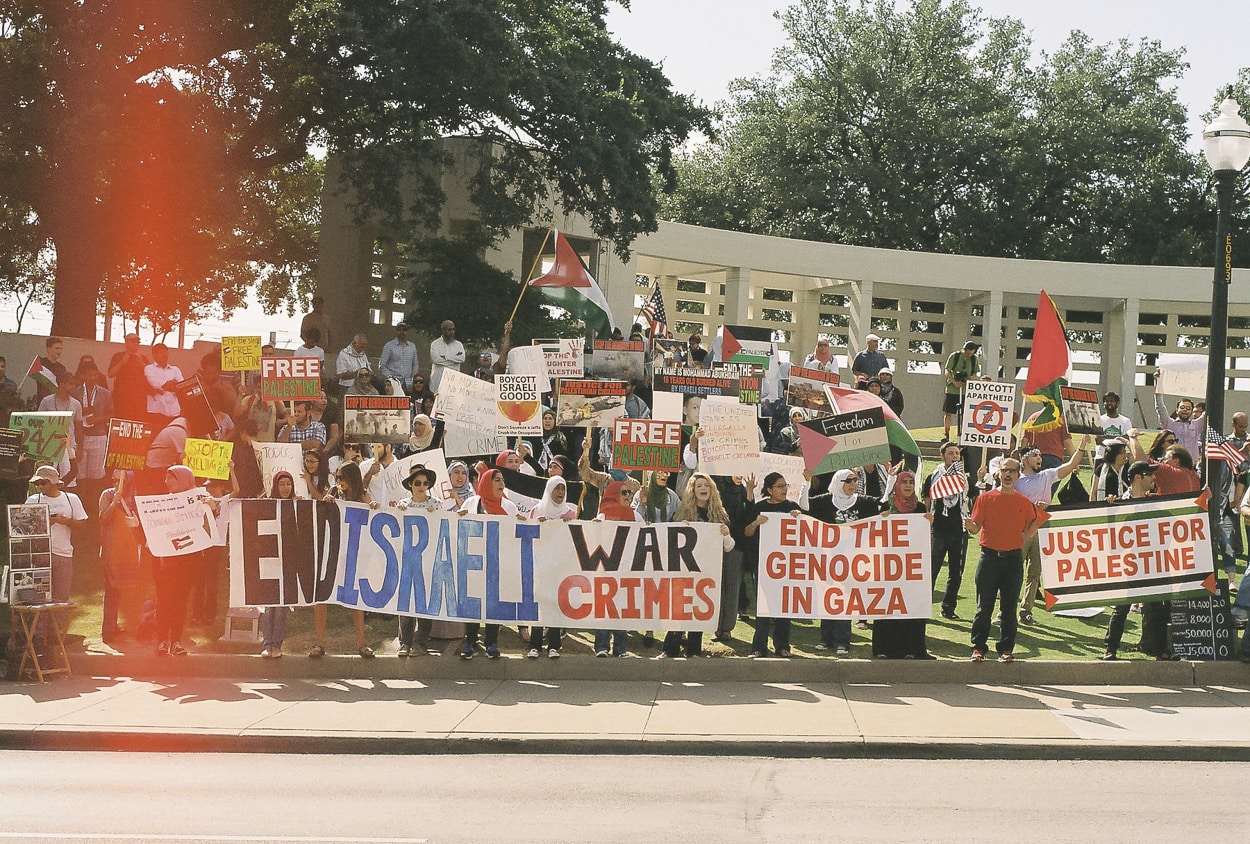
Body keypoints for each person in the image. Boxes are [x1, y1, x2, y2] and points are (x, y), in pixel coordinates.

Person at [963, 457, 1041, 663]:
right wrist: (969, 525)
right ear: (998, 473)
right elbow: (975, 529)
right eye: (1005, 470)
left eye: (1012, 471)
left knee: (1009, 608)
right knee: (984, 607)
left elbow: (1029, 531)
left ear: (1018, 475)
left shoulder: (1024, 502)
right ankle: (978, 648)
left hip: (1013, 561)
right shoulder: (985, 499)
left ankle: (1006, 649)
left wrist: (1040, 517)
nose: (1008, 474)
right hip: (988, 559)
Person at [1100, 461, 1176, 660]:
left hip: (1152, 563)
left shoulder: (1155, 502)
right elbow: (1108, 532)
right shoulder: (1119, 503)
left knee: (1159, 608)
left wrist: (1201, 501)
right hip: (1129, 563)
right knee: (1121, 607)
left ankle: (1161, 650)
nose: (1153, 478)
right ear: (1137, 477)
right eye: (1149, 475)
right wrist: (1110, 509)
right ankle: (1110, 648)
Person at [809, 468, 887, 654]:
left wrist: (890, 479)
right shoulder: (825, 500)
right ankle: (826, 639)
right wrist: (805, 482)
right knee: (828, 598)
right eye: (848, 480)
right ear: (838, 482)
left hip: (851, 561)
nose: (853, 484)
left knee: (843, 600)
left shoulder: (862, 501)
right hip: (827, 559)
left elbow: (883, 503)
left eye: (855, 479)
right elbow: (804, 507)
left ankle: (843, 641)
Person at [1011, 439, 1087, 625]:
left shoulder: (1047, 475)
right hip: (1020, 531)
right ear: (1024, 459)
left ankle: (1026, 611)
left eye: (1040, 456)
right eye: (1035, 456)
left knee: (1034, 573)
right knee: (1013, 573)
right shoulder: (1015, 481)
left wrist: (1082, 446)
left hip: (1041, 529)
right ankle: (1005, 611)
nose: (1039, 459)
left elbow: (1070, 466)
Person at [659, 473, 734, 659]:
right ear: (692, 490)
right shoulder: (682, 513)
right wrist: (678, 529)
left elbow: (729, 547)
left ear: (712, 490)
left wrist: (725, 534)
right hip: (684, 571)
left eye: (706, 486)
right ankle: (670, 649)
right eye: (699, 486)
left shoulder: (719, 515)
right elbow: (667, 540)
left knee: (699, 609)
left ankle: (693, 650)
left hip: (706, 573)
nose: (703, 489)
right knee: (679, 609)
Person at [310, 461, 375, 658]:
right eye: (337, 477)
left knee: (355, 600)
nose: (338, 482)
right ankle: (319, 644)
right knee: (322, 598)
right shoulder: (333, 493)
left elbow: (372, 516)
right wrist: (326, 502)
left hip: (354, 553)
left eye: (342, 478)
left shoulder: (364, 496)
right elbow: (320, 516)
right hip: (333, 552)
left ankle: (362, 643)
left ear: (352, 478)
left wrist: (372, 506)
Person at [457, 469, 521, 660]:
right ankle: (470, 643)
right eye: (497, 480)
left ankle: (491, 643)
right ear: (486, 483)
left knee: (493, 603)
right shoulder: (472, 503)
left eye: (503, 480)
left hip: (498, 561)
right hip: (475, 561)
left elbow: (515, 533)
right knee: (473, 602)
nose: (502, 484)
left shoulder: (509, 507)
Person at [743, 472, 809, 657]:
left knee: (783, 606)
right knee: (763, 605)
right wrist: (756, 523)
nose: (784, 489)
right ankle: (758, 647)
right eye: (779, 486)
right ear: (769, 490)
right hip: (763, 564)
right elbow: (747, 533)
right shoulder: (759, 507)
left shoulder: (792, 507)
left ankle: (782, 646)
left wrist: (799, 518)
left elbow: (805, 533)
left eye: (785, 485)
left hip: (785, 566)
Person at [872, 471, 935, 659]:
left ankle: (913, 649)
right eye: (904, 482)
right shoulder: (887, 506)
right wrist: (881, 518)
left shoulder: (920, 507)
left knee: (912, 604)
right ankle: (883, 649)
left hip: (911, 566)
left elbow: (924, 537)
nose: (908, 485)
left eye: (911, 482)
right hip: (889, 564)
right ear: (897, 485)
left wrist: (929, 523)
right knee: (888, 603)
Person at [153, 465, 211, 657]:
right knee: (164, 602)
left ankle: (176, 641)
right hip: (165, 562)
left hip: (188, 562)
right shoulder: (162, 504)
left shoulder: (198, 501)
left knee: (180, 601)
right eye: (165, 478)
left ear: (183, 479)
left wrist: (210, 508)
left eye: (170, 478)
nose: (165, 482)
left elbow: (209, 526)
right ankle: (162, 640)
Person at [394, 464, 447, 656]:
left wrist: (437, 517)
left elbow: (445, 528)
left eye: (425, 483)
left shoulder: (437, 504)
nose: (422, 486)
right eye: (417, 483)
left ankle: (420, 642)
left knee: (424, 602)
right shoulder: (403, 505)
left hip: (428, 559)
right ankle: (404, 642)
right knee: (406, 601)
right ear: (410, 485)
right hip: (408, 559)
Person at [527, 476, 577, 659]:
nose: (561, 493)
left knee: (555, 604)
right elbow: (528, 537)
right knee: (540, 604)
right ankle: (535, 645)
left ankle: (554, 645)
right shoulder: (536, 511)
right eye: (557, 489)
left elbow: (574, 539)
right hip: (541, 566)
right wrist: (536, 525)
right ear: (549, 490)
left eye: (563, 489)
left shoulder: (570, 514)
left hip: (559, 567)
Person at [595, 479, 644, 657]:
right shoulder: (602, 517)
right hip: (605, 569)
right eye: (623, 492)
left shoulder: (635, 516)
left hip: (626, 570)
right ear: (614, 495)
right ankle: (601, 647)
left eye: (629, 493)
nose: (628, 496)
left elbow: (648, 535)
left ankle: (620, 649)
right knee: (604, 608)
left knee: (621, 609)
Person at [921, 442, 970, 620]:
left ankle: (948, 608)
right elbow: (926, 499)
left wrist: (980, 481)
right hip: (939, 529)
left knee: (956, 572)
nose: (955, 456)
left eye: (957, 453)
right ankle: (923, 608)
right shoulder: (934, 476)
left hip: (959, 530)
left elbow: (974, 498)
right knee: (932, 570)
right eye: (950, 453)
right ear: (942, 456)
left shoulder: (964, 479)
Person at [26, 465, 88, 604]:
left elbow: (82, 524)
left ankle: (58, 626)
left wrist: (66, 521)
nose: (39, 486)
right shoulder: (32, 500)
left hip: (64, 553)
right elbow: (24, 528)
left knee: (62, 598)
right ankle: (40, 626)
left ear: (54, 482)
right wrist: (45, 523)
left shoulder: (71, 498)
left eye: (43, 482)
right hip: (40, 555)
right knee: (40, 597)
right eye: (37, 483)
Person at [260, 470, 299, 658]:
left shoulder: (298, 505)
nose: (286, 488)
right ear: (276, 486)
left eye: (288, 484)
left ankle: (277, 644)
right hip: (270, 561)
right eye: (282, 484)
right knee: (269, 605)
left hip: (289, 561)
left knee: (282, 606)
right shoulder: (267, 506)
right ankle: (267, 644)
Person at [98, 469, 140, 643]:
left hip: (128, 549)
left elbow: (140, 523)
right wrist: (114, 503)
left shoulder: (134, 497)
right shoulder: (107, 495)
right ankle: (107, 630)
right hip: (110, 549)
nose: (116, 483)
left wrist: (136, 523)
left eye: (119, 480)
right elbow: (102, 519)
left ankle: (114, 625)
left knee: (120, 591)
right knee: (111, 590)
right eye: (114, 480)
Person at [37, 369, 83, 485]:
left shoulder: (76, 404)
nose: (73, 386)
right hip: (49, 446)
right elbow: (39, 424)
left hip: (68, 446)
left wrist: (80, 448)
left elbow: (79, 427)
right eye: (71, 383)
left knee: (69, 480)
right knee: (46, 479)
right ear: (62, 384)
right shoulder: (47, 401)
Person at [107, 332, 152, 423]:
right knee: (122, 421)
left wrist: (142, 364)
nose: (136, 344)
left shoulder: (143, 358)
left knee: (138, 422)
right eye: (133, 341)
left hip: (139, 398)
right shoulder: (118, 356)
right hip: (122, 397)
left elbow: (151, 376)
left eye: (137, 342)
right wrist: (121, 363)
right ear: (126, 343)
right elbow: (110, 374)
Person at [1153, 381, 1201, 460]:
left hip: (1191, 465)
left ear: (1192, 412)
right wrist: (1158, 382)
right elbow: (1160, 407)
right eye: (1182, 407)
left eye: (1188, 408)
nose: (1185, 410)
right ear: (1176, 410)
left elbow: (1208, 411)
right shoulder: (1169, 423)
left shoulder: (1197, 425)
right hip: (1173, 462)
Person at [942, 340, 980, 441]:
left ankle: (964, 433)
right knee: (948, 412)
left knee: (965, 413)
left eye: (971, 353)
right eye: (967, 353)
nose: (968, 355)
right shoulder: (954, 356)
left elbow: (975, 373)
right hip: (951, 389)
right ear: (964, 349)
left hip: (965, 391)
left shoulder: (974, 359)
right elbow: (947, 371)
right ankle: (946, 433)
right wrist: (954, 381)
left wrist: (969, 378)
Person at [145, 342, 184, 429]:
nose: (165, 354)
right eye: (161, 352)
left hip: (174, 412)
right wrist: (169, 384)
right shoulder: (149, 368)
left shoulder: (175, 369)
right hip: (156, 410)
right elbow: (154, 384)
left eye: (166, 352)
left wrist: (165, 386)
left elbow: (181, 386)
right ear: (154, 355)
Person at [379, 323, 419, 391]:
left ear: (407, 332)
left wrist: (413, 380)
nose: (402, 332)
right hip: (393, 384)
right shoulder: (389, 346)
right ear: (396, 331)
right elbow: (382, 365)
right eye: (399, 330)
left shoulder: (412, 346)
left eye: (404, 330)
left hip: (408, 384)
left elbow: (415, 365)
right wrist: (391, 378)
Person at [429, 319, 466, 391]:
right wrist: (454, 360)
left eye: (453, 329)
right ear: (443, 330)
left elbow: (462, 359)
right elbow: (436, 360)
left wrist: (445, 357)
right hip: (437, 381)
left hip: (453, 383)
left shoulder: (458, 345)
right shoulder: (435, 344)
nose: (452, 332)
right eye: (449, 330)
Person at [34, 336, 70, 405]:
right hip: (43, 402)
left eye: (61, 348)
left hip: (58, 403)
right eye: (57, 348)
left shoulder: (62, 368)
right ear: (48, 349)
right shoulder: (40, 364)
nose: (59, 351)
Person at [300, 295, 332, 359]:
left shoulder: (326, 318)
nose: (317, 305)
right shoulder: (307, 318)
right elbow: (302, 334)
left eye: (319, 303)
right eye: (314, 303)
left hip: (324, 351)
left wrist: (329, 347)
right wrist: (310, 345)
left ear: (322, 304)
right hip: (311, 351)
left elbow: (330, 333)